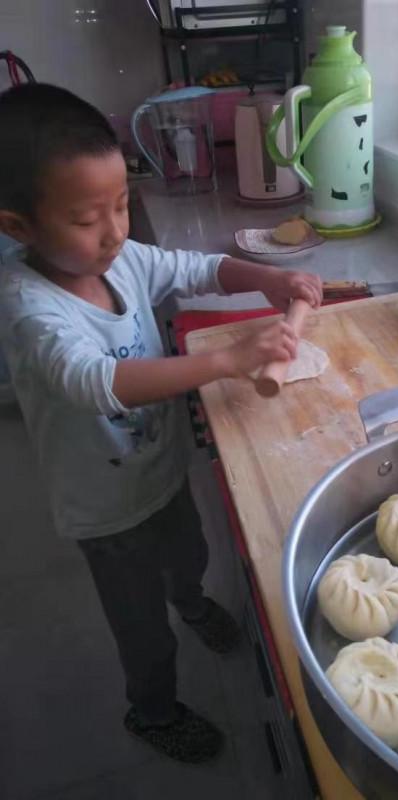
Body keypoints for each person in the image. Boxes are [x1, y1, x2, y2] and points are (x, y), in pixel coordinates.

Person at [0, 83, 322, 764]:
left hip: (161, 466)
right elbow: (96, 383)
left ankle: (193, 598)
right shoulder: (32, 308)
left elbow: (193, 266)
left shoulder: (120, 259)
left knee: (187, 551)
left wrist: (261, 279)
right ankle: (152, 709)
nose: (115, 230)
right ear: (19, 226)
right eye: (88, 217)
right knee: (142, 625)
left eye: (120, 205)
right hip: (104, 509)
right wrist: (230, 358)